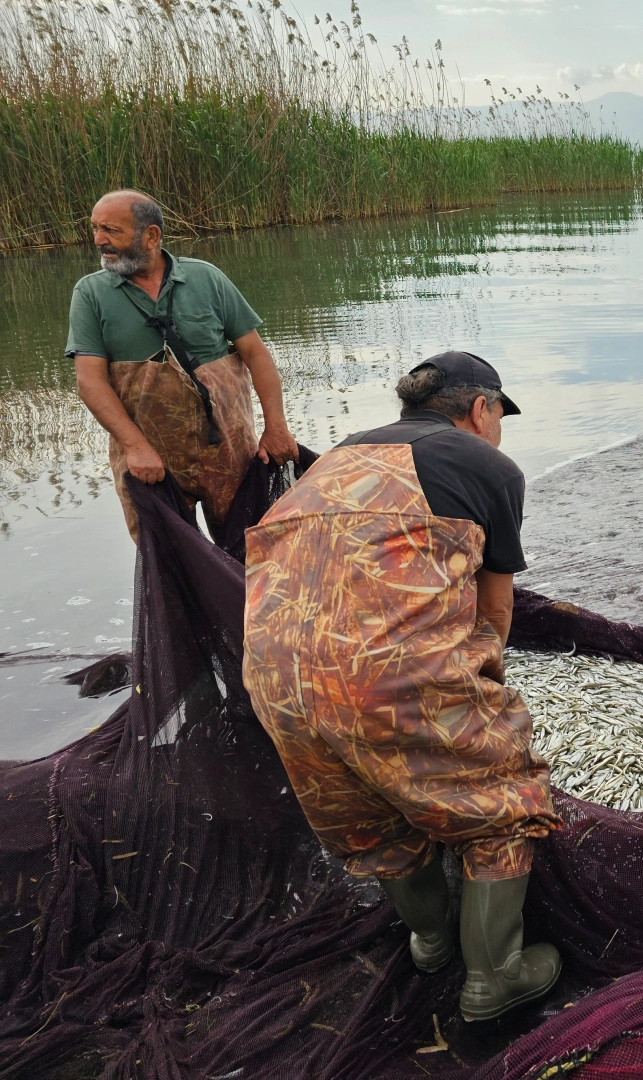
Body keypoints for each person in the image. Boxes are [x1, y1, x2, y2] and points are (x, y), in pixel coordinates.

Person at [241, 351, 563, 1022]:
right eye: (500, 415)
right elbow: (494, 613)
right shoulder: (489, 467)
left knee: (373, 823)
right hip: (384, 676)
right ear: (482, 409)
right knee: (501, 804)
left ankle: (429, 941)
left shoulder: (332, 462)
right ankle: (494, 977)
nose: (501, 428)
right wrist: (480, 719)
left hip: (275, 679)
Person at [66, 189, 298, 540]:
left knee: (255, 554)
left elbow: (256, 354)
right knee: (172, 572)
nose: (99, 240)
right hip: (150, 464)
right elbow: (90, 382)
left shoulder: (206, 278)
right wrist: (135, 447)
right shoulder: (90, 294)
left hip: (229, 455)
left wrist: (276, 426)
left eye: (111, 230)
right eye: (96, 228)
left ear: (152, 235)